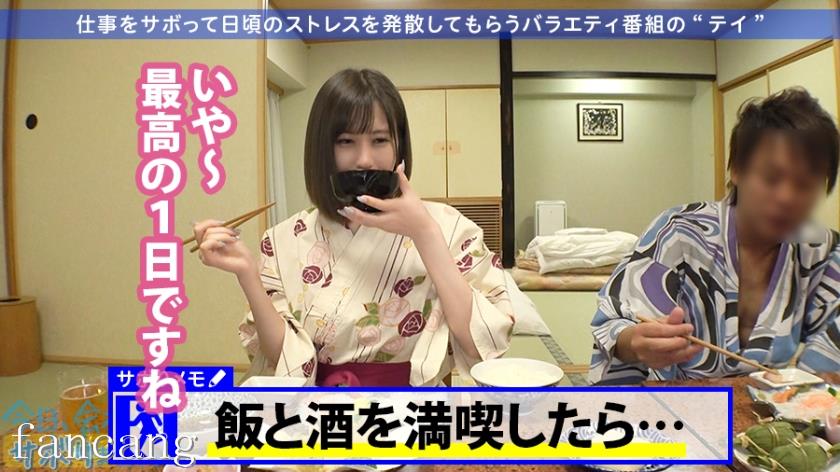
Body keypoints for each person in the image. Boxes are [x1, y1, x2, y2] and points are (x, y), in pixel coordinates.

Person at [193, 68, 514, 386]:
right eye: (346, 141)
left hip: (412, 408)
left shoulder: (446, 227)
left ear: (399, 147)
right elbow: (282, 360)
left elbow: (482, 344)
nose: (364, 159)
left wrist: (425, 234)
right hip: (316, 409)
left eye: (379, 140)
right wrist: (247, 273)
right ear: (323, 149)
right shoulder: (283, 239)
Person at [589, 87, 840, 384]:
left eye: (805, 184)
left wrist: (806, 388)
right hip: (672, 399)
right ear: (737, 170)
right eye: (771, 178)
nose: (786, 197)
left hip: (768, 406)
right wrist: (635, 342)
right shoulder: (679, 232)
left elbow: (829, 353)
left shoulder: (821, 250)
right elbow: (616, 323)